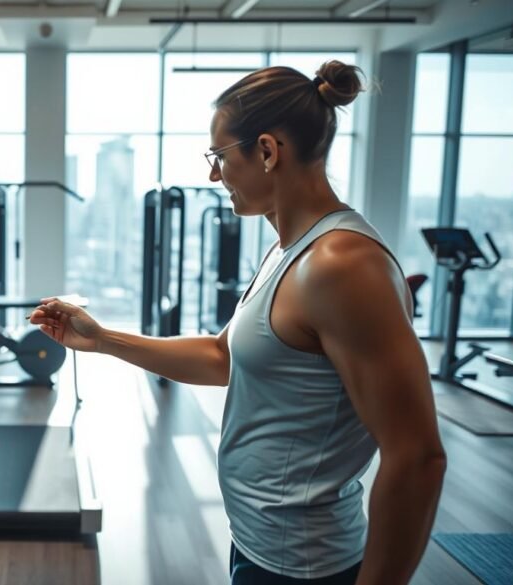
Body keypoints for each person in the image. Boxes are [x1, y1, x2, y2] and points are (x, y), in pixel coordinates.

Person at [31, 61, 446, 585]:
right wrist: (103, 339)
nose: (214, 175)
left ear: (267, 151)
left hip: (305, 567)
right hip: (259, 544)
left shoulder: (342, 265)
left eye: (219, 157)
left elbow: (417, 457)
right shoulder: (290, 250)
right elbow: (221, 356)